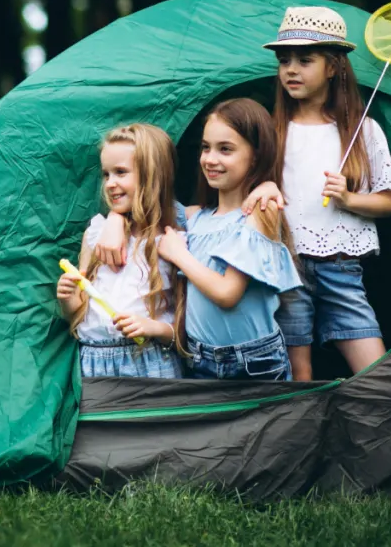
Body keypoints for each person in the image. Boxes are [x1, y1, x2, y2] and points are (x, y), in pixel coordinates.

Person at [258, 6, 391, 379]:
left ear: (334, 67)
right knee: (297, 374)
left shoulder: (362, 130)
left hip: (341, 265)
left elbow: (390, 202)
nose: (291, 69)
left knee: (375, 370)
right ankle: (306, 433)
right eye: (284, 60)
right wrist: (264, 186)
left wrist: (350, 199)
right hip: (286, 266)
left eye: (305, 60)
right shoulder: (272, 129)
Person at [155, 99, 304, 381]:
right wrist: (114, 220)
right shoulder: (196, 217)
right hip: (199, 358)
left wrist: (180, 256)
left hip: (252, 363)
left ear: (256, 156)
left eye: (225, 149)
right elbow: (146, 205)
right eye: (205, 147)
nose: (210, 159)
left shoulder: (260, 212)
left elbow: (227, 294)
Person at [55, 124, 184, 378]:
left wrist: (154, 328)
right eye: (106, 175)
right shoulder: (96, 233)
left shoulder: (173, 241)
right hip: (93, 360)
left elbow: (186, 329)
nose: (110, 183)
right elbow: (81, 312)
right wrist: (68, 298)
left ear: (152, 175)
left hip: (150, 360)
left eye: (121, 172)